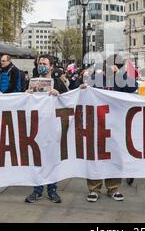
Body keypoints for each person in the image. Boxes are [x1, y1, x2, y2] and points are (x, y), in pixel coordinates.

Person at [81, 55, 138, 202]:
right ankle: (94, 188)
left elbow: (133, 87)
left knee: (115, 156)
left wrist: (120, 74)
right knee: (95, 156)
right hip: (98, 123)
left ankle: (113, 188)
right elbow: (81, 88)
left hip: (116, 124)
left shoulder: (121, 79)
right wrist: (82, 87)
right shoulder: (97, 78)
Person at [25, 55, 67, 204]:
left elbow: (68, 100)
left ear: (51, 67)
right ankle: (36, 190)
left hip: (52, 127)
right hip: (35, 126)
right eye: (39, 63)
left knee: (52, 158)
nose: (41, 65)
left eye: (44, 63)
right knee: (36, 158)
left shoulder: (59, 83)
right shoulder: (30, 82)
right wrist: (25, 95)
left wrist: (58, 94)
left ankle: (52, 190)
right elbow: (20, 100)